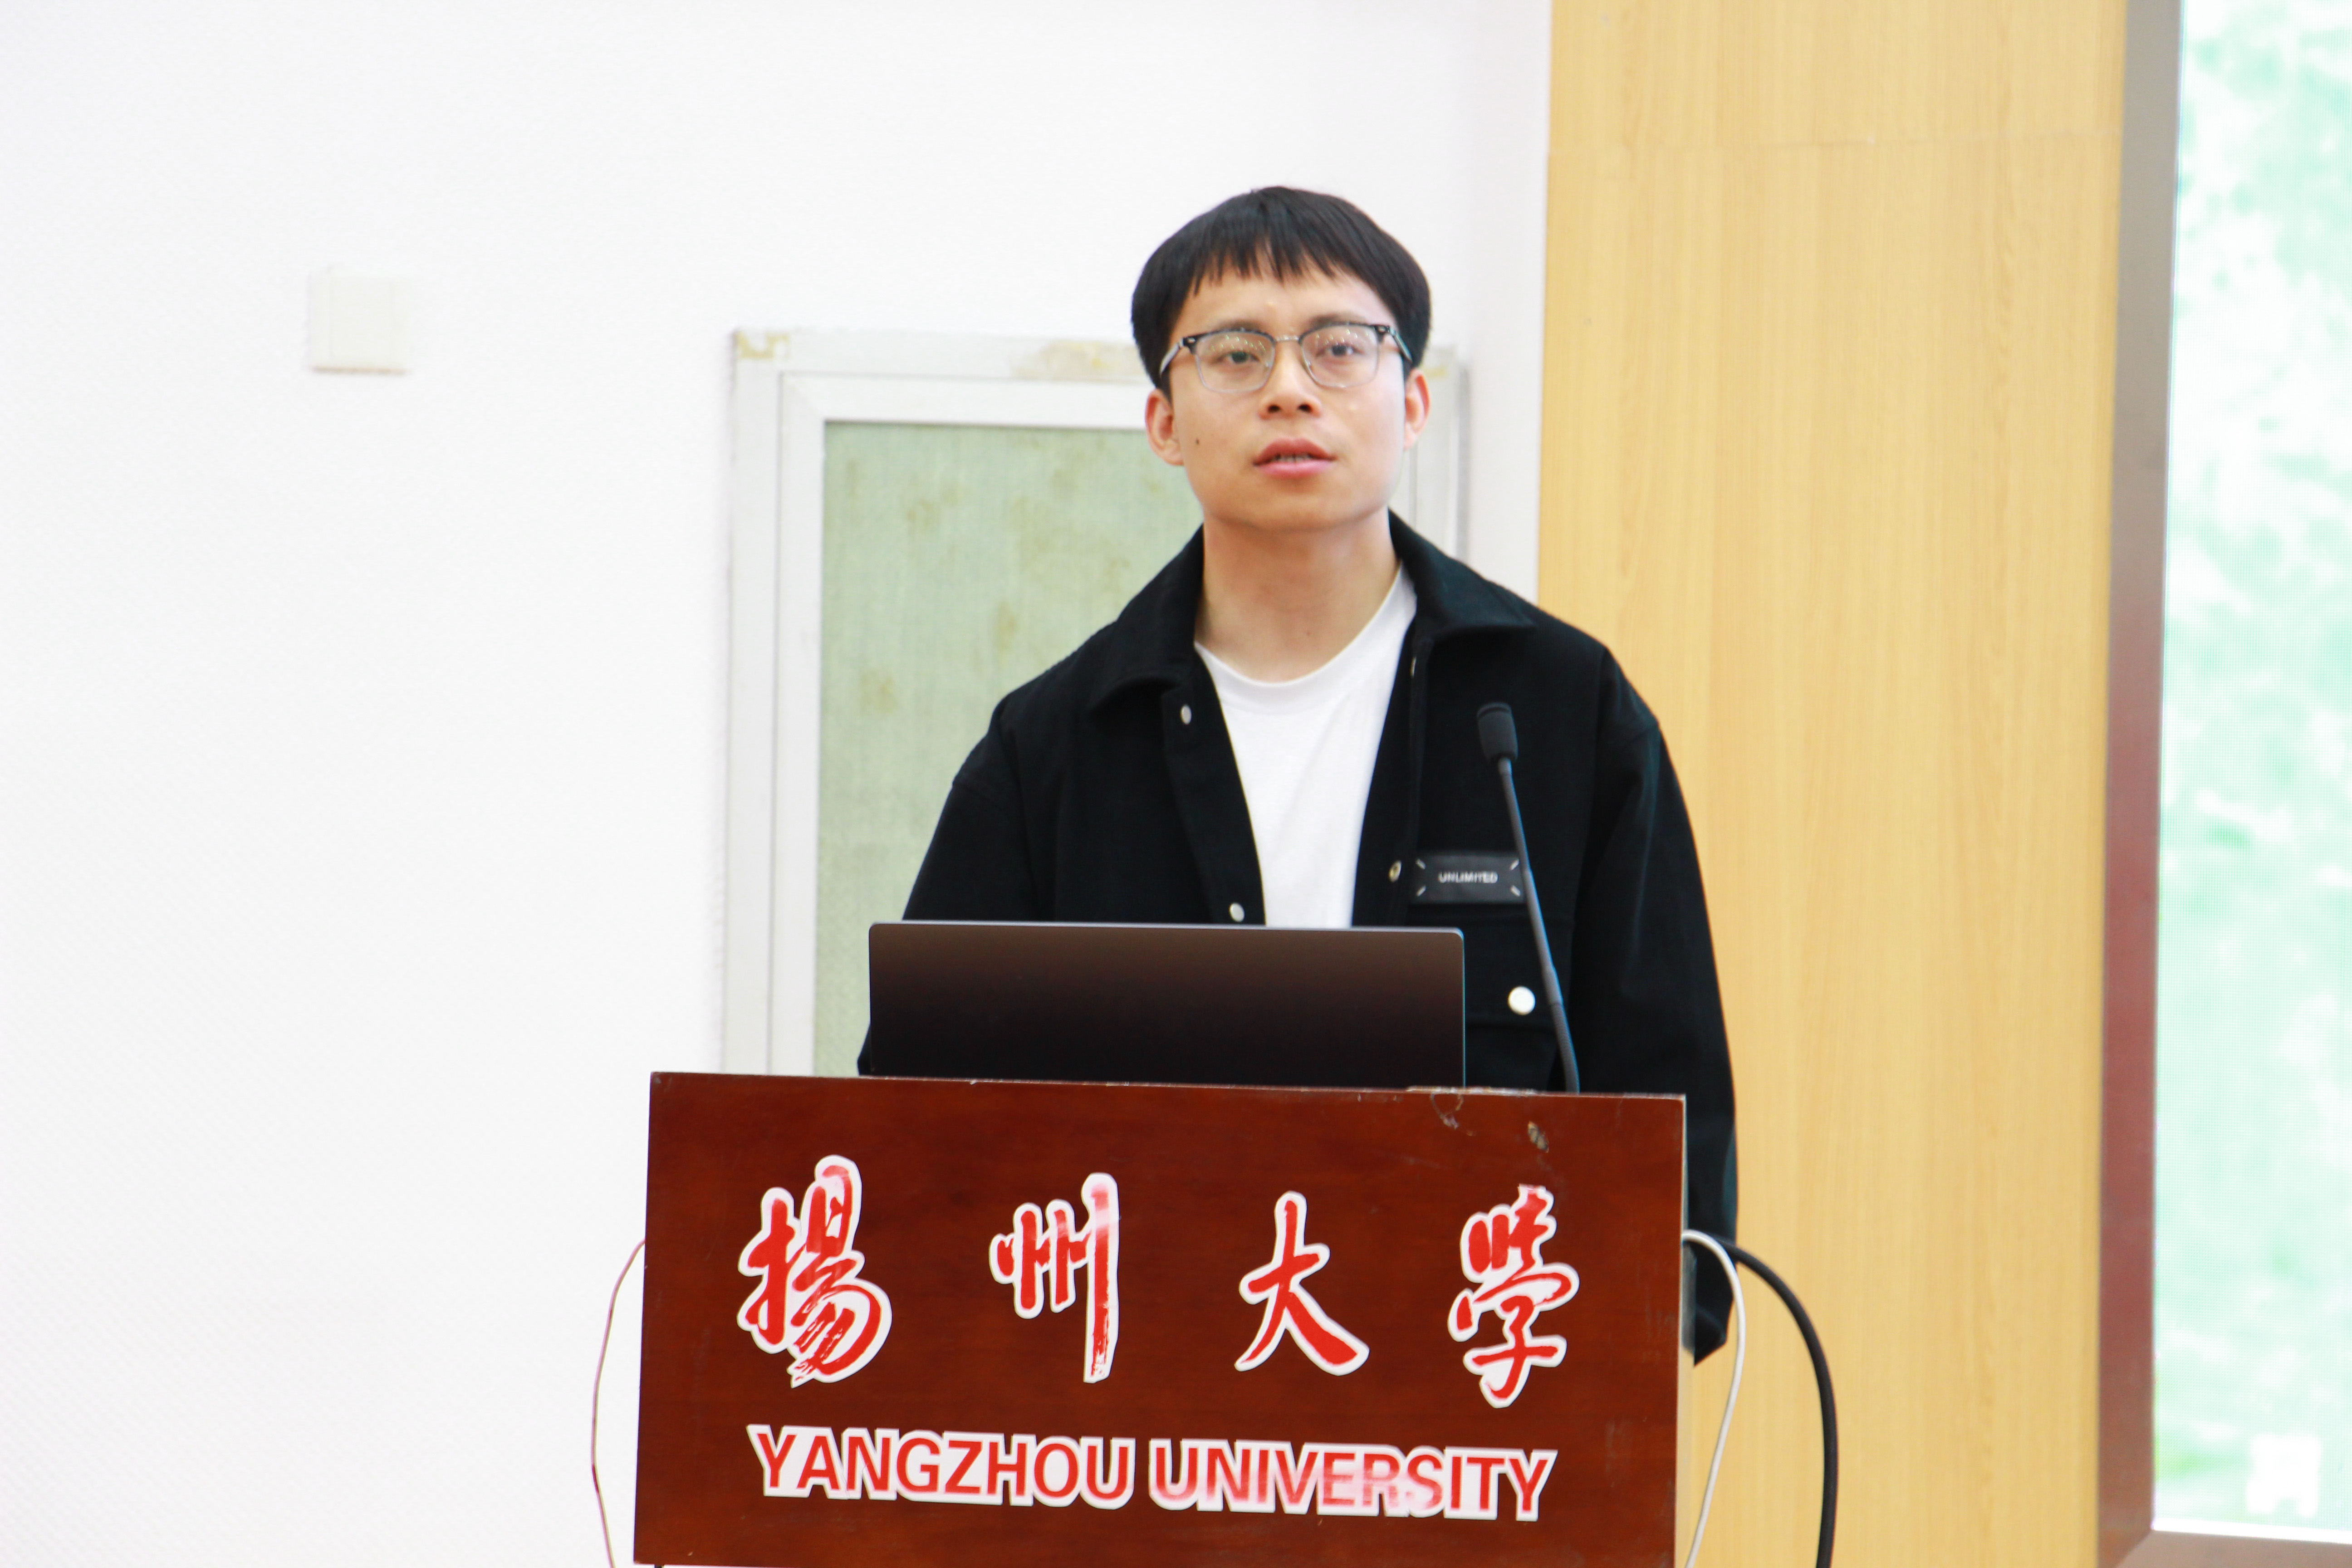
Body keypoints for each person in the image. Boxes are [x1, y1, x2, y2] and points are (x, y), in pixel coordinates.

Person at [868, 187, 1737, 1355]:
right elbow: (914, 1118)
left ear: (1411, 401)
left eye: (1339, 347)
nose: (1290, 388)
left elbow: (1670, 1095)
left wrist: (1650, 1336)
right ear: (1164, 421)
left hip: (1480, 1382)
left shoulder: (1560, 713)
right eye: (1235, 353)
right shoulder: (1055, 746)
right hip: (1138, 1390)